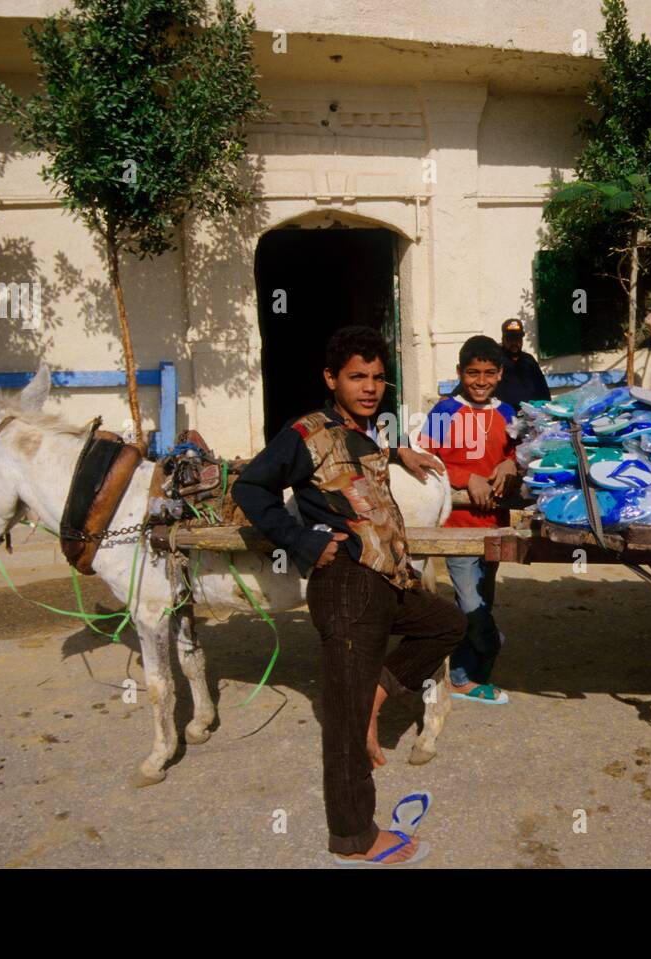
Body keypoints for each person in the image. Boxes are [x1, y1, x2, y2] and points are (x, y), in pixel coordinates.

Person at [231, 325, 464, 866]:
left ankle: (379, 695)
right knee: (342, 718)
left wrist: (398, 452)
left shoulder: (360, 430)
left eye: (379, 377)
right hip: (345, 587)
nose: (370, 386)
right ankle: (355, 837)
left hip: (385, 579)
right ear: (331, 378)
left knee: (447, 623)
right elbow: (252, 487)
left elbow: (357, 474)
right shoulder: (307, 431)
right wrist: (302, 538)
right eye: (357, 376)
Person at [420, 335, 519, 706]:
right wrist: (465, 477)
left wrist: (512, 463)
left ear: (500, 373)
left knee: (482, 602)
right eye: (473, 373)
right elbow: (425, 460)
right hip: (457, 528)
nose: (480, 381)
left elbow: (522, 456)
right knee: (469, 605)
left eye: (489, 373)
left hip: (495, 527)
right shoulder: (445, 412)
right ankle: (471, 666)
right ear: (459, 372)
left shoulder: (508, 414)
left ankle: (470, 674)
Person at [494, 319, 551, 408]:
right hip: (507, 416)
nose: (514, 343)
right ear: (503, 339)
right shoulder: (496, 360)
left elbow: (544, 390)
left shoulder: (529, 360)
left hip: (532, 415)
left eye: (517, 339)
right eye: (510, 339)